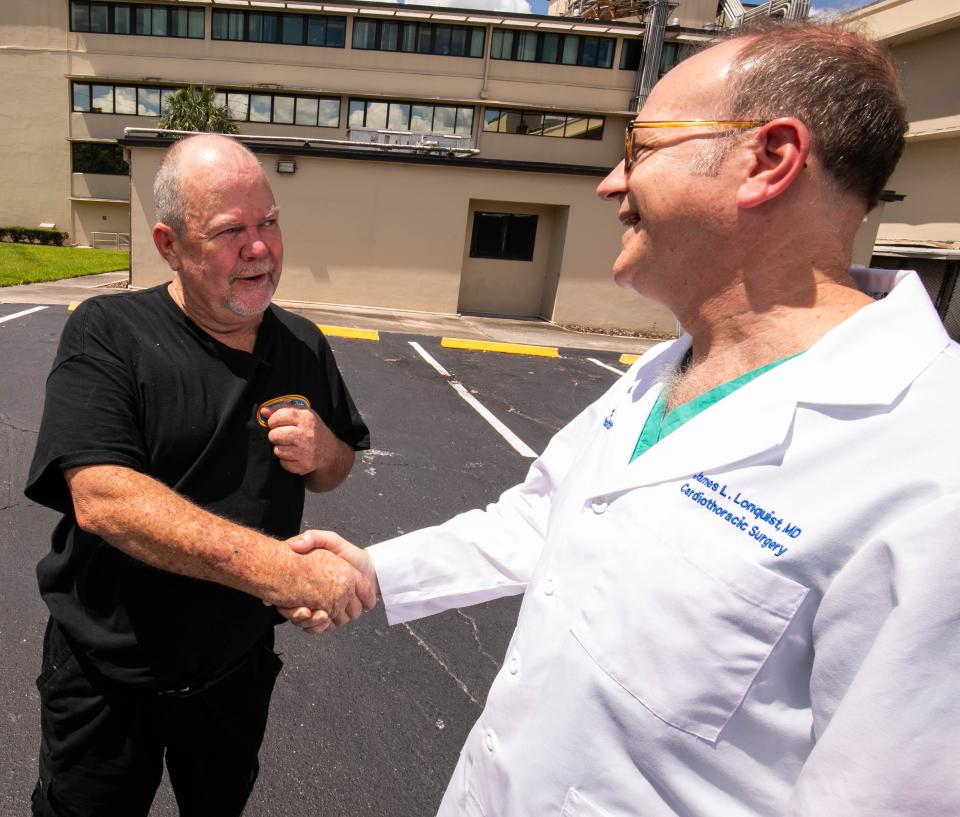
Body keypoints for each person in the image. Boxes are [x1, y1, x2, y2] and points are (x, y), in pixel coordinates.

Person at [283, 22, 960, 817]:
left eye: (642, 148)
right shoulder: (660, 370)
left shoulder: (930, 467)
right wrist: (373, 572)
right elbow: (543, 520)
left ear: (768, 161)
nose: (610, 182)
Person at [25, 133, 375, 817]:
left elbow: (337, 469)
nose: (260, 247)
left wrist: (325, 446)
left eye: (269, 221)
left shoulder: (303, 343)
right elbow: (103, 498)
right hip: (106, 677)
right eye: (229, 231)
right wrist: (283, 572)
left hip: (232, 676)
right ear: (168, 244)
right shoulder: (108, 332)